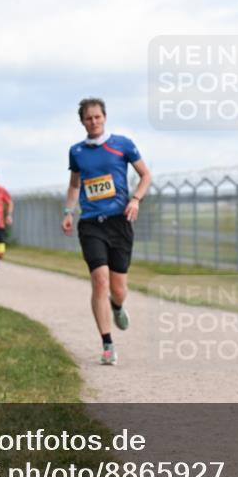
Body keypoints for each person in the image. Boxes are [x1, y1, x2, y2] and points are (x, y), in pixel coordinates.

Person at [61, 97, 151, 366]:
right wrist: (68, 212)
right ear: (82, 121)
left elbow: (146, 175)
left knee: (118, 288)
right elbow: (75, 185)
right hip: (90, 223)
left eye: (97, 117)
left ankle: (117, 305)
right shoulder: (76, 151)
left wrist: (136, 199)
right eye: (88, 118)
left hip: (119, 222)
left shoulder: (122, 144)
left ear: (105, 117)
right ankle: (107, 343)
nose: (94, 122)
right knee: (99, 280)